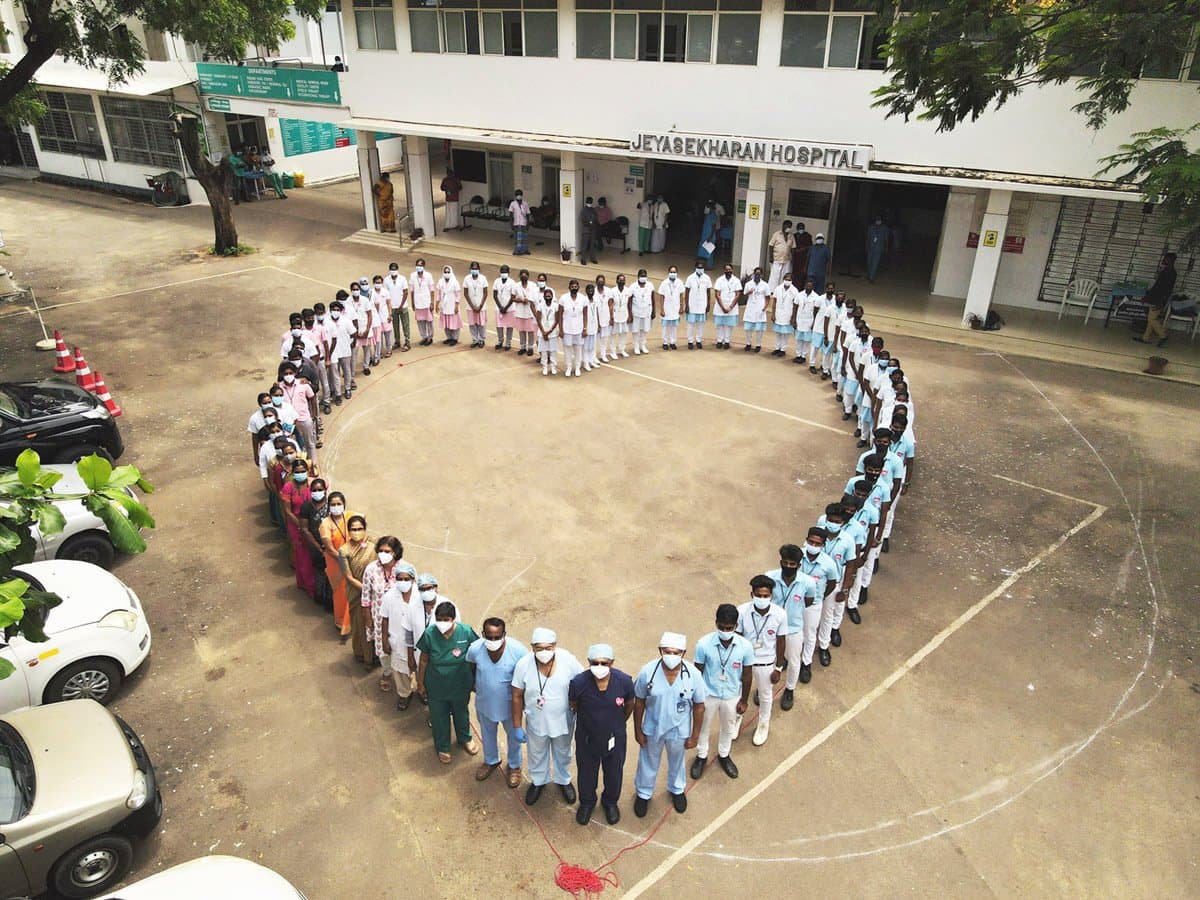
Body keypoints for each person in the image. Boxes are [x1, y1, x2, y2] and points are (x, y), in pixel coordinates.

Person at [632, 632, 705, 817]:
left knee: (677, 761)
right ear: (660, 651)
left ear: (684, 652)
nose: (671, 656)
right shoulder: (647, 672)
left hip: (679, 730)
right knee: (648, 761)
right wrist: (638, 730)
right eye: (667, 651)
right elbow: (638, 701)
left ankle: (677, 789)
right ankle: (643, 793)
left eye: (676, 652)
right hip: (653, 727)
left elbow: (699, 706)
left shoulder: (693, 675)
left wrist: (695, 735)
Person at [511, 627, 582, 805]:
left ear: (555, 646)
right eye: (539, 648)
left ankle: (563, 780)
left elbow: (583, 683)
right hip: (537, 721)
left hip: (563, 721)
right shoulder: (523, 665)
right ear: (532, 647)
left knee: (563, 752)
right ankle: (538, 781)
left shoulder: (568, 660)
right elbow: (517, 695)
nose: (544, 652)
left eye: (548, 648)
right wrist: (517, 725)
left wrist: (578, 705)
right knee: (537, 753)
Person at [569, 643, 635, 826]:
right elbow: (574, 703)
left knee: (614, 772)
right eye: (595, 663)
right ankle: (587, 802)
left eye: (604, 663)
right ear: (589, 662)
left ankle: (610, 802)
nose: (599, 667)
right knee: (586, 773)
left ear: (612, 663)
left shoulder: (624, 681)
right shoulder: (579, 683)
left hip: (615, 738)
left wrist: (617, 723)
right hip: (587, 738)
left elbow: (630, 704)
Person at [691, 605, 753, 780]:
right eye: (722, 627)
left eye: (730, 628)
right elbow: (698, 672)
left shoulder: (745, 646)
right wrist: (696, 699)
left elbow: (747, 674)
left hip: (732, 695)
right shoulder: (703, 644)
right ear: (716, 623)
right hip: (708, 694)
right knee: (703, 726)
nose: (725, 631)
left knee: (728, 728)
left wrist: (744, 700)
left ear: (735, 626)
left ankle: (724, 755)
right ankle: (701, 756)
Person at [417, 602, 482, 764]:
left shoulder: (465, 632)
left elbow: (477, 655)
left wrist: (475, 680)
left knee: (461, 712)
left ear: (453, 619)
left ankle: (464, 738)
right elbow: (424, 660)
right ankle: (443, 746)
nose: (442, 623)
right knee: (439, 717)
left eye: (446, 619)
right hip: (437, 685)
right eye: (439, 619)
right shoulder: (430, 633)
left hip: (460, 684)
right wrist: (420, 683)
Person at [467, 618, 528, 786]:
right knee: (487, 734)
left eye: (497, 637)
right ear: (483, 635)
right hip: (485, 703)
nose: (493, 641)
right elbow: (470, 668)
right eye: (489, 637)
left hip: (510, 707)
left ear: (504, 635)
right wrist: (475, 686)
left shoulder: (518, 651)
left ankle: (514, 766)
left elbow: (526, 678)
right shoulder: (475, 649)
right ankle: (491, 760)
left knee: (513, 737)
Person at [767, 543, 821, 706]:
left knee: (794, 660)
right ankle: (766, 688)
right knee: (769, 659)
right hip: (772, 627)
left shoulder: (809, 582)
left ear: (799, 565)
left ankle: (789, 689)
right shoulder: (770, 578)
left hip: (793, 628)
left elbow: (809, 601)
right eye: (785, 563)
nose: (788, 567)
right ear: (781, 562)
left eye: (792, 564)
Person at [737, 575, 787, 746]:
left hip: (766, 662)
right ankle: (737, 718)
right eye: (758, 595)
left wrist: (778, 668)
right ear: (752, 594)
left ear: (771, 596)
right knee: (738, 692)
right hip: (745, 662)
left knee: (766, 696)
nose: (762, 599)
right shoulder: (742, 611)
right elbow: (737, 637)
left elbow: (781, 641)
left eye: (765, 596)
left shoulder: (780, 614)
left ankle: (763, 724)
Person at [362, 535, 403, 690]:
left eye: (388, 551)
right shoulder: (371, 569)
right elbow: (366, 596)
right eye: (380, 550)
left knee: (400, 646)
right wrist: (368, 618)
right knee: (382, 648)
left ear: (396, 553)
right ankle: (387, 672)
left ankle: (402, 673)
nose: (383, 554)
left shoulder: (404, 569)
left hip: (399, 619)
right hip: (378, 619)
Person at [378, 561, 418, 707]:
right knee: (400, 671)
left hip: (417, 642)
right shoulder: (390, 596)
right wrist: (384, 640)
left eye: (406, 579)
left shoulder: (419, 596)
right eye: (400, 579)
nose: (403, 582)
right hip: (397, 640)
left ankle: (422, 691)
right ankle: (404, 693)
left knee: (420, 668)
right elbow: (384, 619)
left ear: (413, 579)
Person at [339, 515, 377, 664]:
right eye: (353, 529)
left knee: (374, 624)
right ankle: (363, 655)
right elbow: (348, 577)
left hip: (375, 592)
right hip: (357, 593)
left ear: (365, 529)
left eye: (360, 529)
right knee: (359, 625)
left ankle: (375, 654)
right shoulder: (344, 550)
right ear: (348, 531)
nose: (356, 532)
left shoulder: (373, 544)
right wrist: (366, 589)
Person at [318, 492, 355, 641]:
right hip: (337, 563)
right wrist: (343, 559)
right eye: (332, 504)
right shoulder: (325, 524)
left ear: (344, 504)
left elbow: (361, 524)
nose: (336, 507)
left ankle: (353, 621)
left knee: (353, 591)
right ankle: (341, 622)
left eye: (339, 504)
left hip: (352, 559)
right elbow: (329, 547)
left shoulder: (350, 517)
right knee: (341, 592)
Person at [279, 457, 316, 598]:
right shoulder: (288, 487)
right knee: (303, 554)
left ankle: (304, 582)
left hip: (312, 523)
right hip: (296, 524)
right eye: (297, 471)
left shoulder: (313, 484)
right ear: (293, 473)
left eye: (303, 471)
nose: (301, 473)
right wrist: (301, 526)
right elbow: (288, 511)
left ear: (307, 471)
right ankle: (309, 585)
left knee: (312, 554)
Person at [278, 363, 318, 466]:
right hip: (288, 422)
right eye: (286, 373)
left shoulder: (303, 384)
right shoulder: (279, 388)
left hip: (304, 418)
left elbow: (312, 398)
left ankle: (313, 464)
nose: (288, 375)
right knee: (293, 444)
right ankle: (299, 465)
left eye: (290, 373)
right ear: (282, 374)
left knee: (310, 443)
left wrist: (313, 414)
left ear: (295, 373)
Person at [1136, 252, 1179, 347]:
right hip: (1157, 298)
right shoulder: (1168, 271)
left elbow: (1163, 288)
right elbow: (1158, 287)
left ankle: (1163, 335)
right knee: (1152, 318)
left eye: (1166, 258)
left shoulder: (1170, 273)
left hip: (1159, 299)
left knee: (1151, 319)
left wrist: (1159, 301)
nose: (1163, 260)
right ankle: (1145, 338)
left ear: (1171, 260)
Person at [327, 299, 355, 401]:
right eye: (333, 309)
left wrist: (351, 342)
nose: (335, 311)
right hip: (333, 352)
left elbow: (353, 333)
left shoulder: (346, 321)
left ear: (341, 310)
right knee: (334, 374)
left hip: (345, 350)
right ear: (330, 310)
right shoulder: (326, 322)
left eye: (337, 309)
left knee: (347, 371)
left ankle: (347, 388)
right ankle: (337, 393)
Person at [560, 279, 588, 378]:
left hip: (579, 329)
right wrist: (561, 329)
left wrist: (585, 328)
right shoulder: (563, 298)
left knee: (578, 349)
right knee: (567, 350)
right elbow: (560, 315)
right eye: (572, 287)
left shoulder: (583, 298)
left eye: (576, 287)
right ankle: (568, 367)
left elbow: (585, 315)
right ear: (569, 287)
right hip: (567, 329)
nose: (574, 288)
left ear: (578, 287)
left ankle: (577, 368)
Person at [684, 261, 713, 350]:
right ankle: (690, 341)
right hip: (692, 304)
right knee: (690, 324)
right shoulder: (690, 278)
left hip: (702, 304)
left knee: (701, 324)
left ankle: (699, 340)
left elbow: (708, 292)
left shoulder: (707, 278)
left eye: (702, 267)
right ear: (695, 268)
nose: (700, 269)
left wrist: (708, 304)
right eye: (699, 267)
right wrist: (687, 305)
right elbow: (687, 292)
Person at [712, 265, 742, 350]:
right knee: (719, 325)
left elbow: (737, 295)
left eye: (730, 269)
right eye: (726, 269)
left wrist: (730, 307)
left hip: (731, 307)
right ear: (724, 271)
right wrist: (723, 307)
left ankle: (727, 341)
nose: (728, 271)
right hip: (720, 306)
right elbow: (717, 295)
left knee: (729, 326)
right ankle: (719, 341)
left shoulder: (736, 280)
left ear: (732, 270)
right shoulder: (719, 280)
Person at [770, 274, 798, 357]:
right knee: (778, 333)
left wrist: (793, 317)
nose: (787, 281)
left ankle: (783, 349)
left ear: (792, 281)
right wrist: (773, 314)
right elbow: (774, 302)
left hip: (788, 314)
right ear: (783, 279)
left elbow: (796, 305)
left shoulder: (794, 290)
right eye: (786, 279)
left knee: (785, 334)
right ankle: (777, 348)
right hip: (778, 313)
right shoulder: (778, 288)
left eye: (789, 280)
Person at [535, 286, 562, 376]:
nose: (548, 297)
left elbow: (557, 319)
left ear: (552, 296)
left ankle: (553, 367)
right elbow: (538, 319)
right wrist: (543, 332)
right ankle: (545, 367)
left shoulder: (556, 306)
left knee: (553, 350)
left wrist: (549, 331)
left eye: (549, 296)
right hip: (542, 331)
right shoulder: (540, 305)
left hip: (553, 332)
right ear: (544, 297)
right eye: (546, 296)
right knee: (544, 351)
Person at [742, 267, 770, 352]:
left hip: (760, 309)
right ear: (753, 274)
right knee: (748, 328)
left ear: (761, 275)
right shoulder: (748, 284)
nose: (757, 275)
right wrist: (748, 293)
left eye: (759, 274)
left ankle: (758, 345)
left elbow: (768, 297)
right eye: (756, 274)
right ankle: (748, 343)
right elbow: (744, 295)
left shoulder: (765, 285)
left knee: (759, 329)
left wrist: (765, 308)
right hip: (750, 308)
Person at [385, 262, 411, 352]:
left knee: (405, 324)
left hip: (403, 306)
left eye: (395, 269)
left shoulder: (402, 279)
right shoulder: (386, 280)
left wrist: (401, 305)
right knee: (395, 325)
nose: (393, 271)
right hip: (392, 307)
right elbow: (386, 294)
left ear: (397, 270)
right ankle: (397, 341)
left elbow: (406, 292)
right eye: (391, 269)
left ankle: (407, 342)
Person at [462, 262, 489, 349]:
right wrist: (472, 306)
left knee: (481, 323)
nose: (474, 270)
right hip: (471, 307)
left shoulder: (483, 278)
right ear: (470, 269)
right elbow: (465, 293)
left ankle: (481, 339)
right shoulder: (467, 278)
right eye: (473, 269)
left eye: (476, 268)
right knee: (472, 324)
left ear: (479, 269)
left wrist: (480, 306)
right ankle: (475, 339)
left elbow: (485, 293)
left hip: (481, 306)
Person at [410, 259, 436, 346]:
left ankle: (430, 337)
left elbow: (432, 290)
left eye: (420, 265)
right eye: (417, 265)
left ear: (423, 266)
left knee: (429, 321)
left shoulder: (428, 275)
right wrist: (412, 303)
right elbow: (412, 291)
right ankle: (424, 337)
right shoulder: (413, 276)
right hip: (418, 302)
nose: (419, 267)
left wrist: (432, 302)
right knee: (420, 321)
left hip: (426, 302)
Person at [493, 266, 519, 351]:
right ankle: (500, 340)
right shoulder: (497, 281)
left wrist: (506, 307)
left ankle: (508, 342)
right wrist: (500, 307)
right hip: (499, 307)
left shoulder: (512, 282)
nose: (504, 273)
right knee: (499, 325)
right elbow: (495, 295)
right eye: (502, 271)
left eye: (505, 271)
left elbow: (513, 296)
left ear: (508, 272)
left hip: (510, 308)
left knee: (509, 326)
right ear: (500, 272)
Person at [630, 269, 655, 354]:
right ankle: (636, 346)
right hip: (636, 311)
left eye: (644, 276)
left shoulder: (650, 285)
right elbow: (629, 300)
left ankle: (642, 345)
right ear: (638, 276)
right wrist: (630, 313)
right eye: (641, 276)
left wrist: (654, 311)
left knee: (645, 329)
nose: (643, 277)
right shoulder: (633, 286)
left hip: (647, 311)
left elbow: (653, 298)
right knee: (636, 330)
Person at [435, 266, 462, 346]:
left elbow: (458, 295)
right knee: (446, 323)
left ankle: (455, 338)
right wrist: (437, 304)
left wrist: (456, 305)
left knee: (454, 322)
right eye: (445, 272)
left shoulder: (455, 282)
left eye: (448, 272)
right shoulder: (440, 282)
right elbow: (438, 294)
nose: (446, 274)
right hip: (444, 305)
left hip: (452, 304)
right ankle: (449, 337)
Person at [514, 269, 539, 356]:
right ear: (520, 276)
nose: (523, 277)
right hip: (520, 312)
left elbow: (536, 297)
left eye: (525, 275)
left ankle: (530, 347)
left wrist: (528, 300)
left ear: (528, 276)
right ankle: (522, 347)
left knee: (530, 331)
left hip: (529, 312)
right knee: (521, 330)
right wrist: (520, 300)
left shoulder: (533, 285)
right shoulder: (516, 285)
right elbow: (512, 298)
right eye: (522, 275)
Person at [659, 266, 684, 350]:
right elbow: (661, 296)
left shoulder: (680, 282)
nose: (673, 273)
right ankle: (665, 342)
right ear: (668, 272)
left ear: (677, 273)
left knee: (674, 327)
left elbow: (681, 295)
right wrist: (662, 309)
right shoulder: (664, 283)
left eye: (674, 272)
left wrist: (681, 307)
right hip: (666, 308)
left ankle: (673, 342)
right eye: (671, 272)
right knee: (665, 327)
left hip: (675, 308)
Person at [767, 221, 796, 288]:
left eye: (789, 226)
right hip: (777, 259)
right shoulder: (776, 234)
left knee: (784, 276)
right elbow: (771, 246)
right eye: (787, 226)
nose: (788, 228)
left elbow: (793, 248)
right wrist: (771, 257)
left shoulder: (791, 236)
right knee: (775, 277)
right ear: (783, 226)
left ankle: (781, 290)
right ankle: (772, 291)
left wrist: (793, 259)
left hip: (786, 260)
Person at [866, 216, 890, 281]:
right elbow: (868, 238)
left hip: (878, 248)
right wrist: (867, 246)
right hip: (871, 247)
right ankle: (869, 275)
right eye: (877, 220)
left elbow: (886, 239)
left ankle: (871, 277)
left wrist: (886, 247)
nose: (878, 221)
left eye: (879, 220)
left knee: (875, 263)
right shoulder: (871, 227)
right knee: (869, 262)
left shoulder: (885, 228)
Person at [508, 189, 531, 255]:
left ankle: (525, 250)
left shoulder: (525, 203)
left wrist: (528, 223)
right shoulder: (513, 204)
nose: (519, 196)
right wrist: (511, 224)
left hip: (524, 223)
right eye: (517, 195)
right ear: (515, 196)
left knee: (525, 237)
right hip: (516, 223)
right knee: (517, 238)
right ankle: (517, 251)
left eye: (520, 195)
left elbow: (528, 214)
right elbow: (510, 214)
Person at [580, 196, 600, 265]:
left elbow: (596, 218)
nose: (589, 204)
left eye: (590, 202)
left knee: (593, 245)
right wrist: (589, 224)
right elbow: (583, 220)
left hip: (593, 230)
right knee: (584, 245)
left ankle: (593, 258)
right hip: (586, 230)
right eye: (588, 202)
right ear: (586, 202)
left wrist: (593, 223)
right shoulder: (583, 210)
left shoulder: (593, 210)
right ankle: (583, 259)